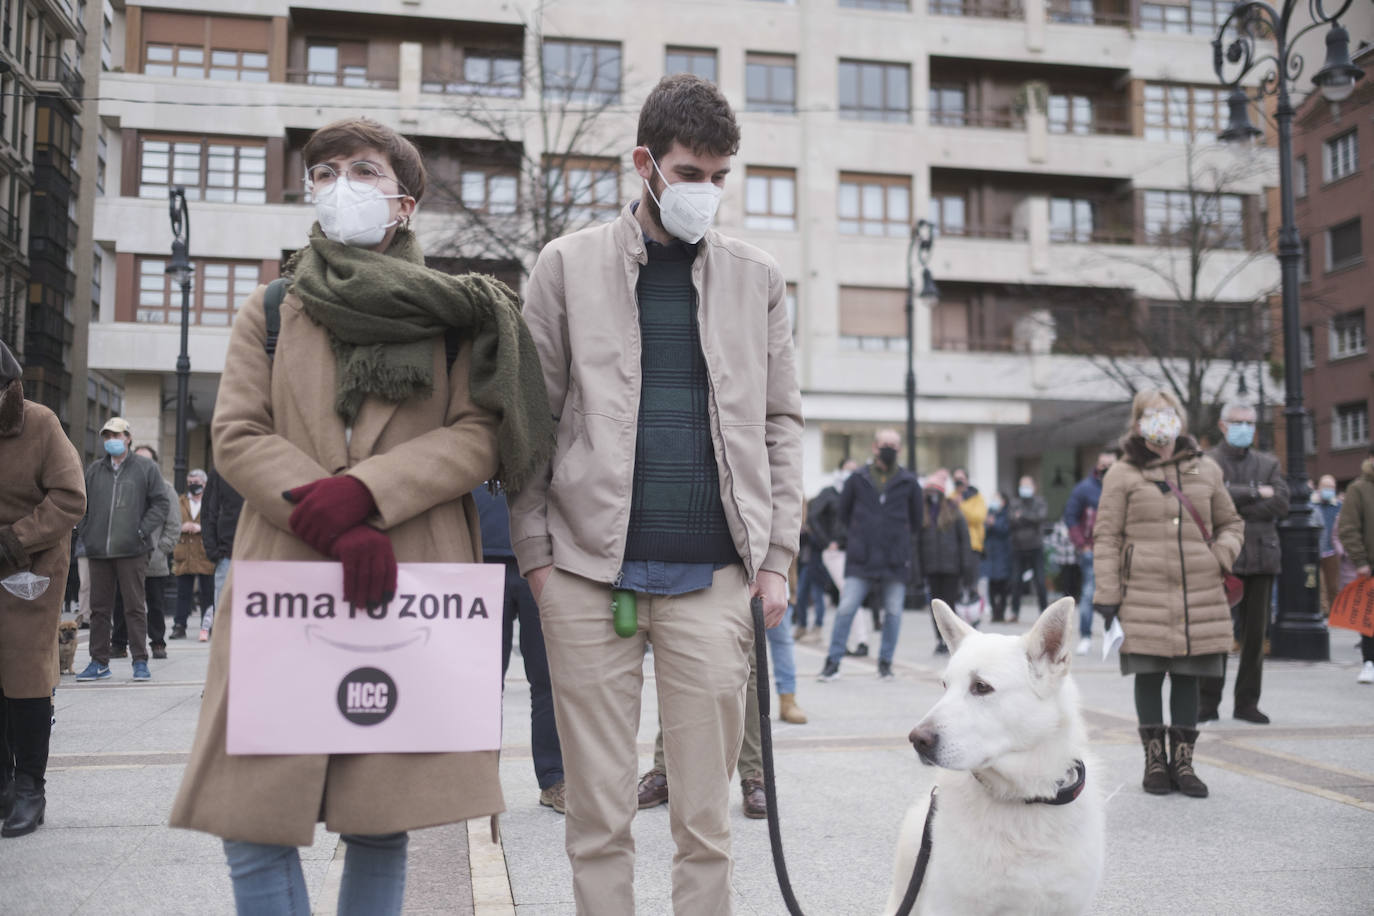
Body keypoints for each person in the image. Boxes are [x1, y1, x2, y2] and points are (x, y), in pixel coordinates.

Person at [168, 116, 553, 916]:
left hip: (403, 580)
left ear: (404, 203)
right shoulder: (273, 308)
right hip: (288, 574)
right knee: (253, 823)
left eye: (364, 170)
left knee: (381, 823)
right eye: (326, 170)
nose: (341, 184)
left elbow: (483, 436)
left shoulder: (458, 316)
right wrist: (330, 514)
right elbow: (236, 432)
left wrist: (371, 493)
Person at [510, 74, 802, 915]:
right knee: (598, 816)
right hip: (583, 574)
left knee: (705, 821)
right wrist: (535, 555)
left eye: (719, 177)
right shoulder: (566, 264)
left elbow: (781, 424)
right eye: (688, 173)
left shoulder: (759, 277)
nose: (705, 192)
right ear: (644, 164)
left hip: (713, 578)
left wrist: (776, 559)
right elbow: (530, 421)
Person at [1093, 389, 1243, 799]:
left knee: (1189, 673)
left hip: (1198, 588)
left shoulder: (1205, 469)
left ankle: (1184, 763)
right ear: (1138, 423)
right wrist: (1107, 593)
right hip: (1141, 590)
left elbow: (1232, 523)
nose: (1162, 421)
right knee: (1148, 671)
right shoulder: (1122, 474)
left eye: (1168, 413)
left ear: (1179, 418)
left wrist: (1220, 555)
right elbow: (1106, 537)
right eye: (1152, 415)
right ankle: (1154, 762)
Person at [0, 340, 86, 837]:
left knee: (25, 670)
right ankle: (3, 784)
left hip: (30, 563)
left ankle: (31, 788)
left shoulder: (39, 423)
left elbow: (71, 497)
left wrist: (16, 538)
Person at [640, 616, 809, 819]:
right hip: (674, 589)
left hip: (737, 587)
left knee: (744, 661)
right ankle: (664, 771)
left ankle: (754, 775)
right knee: (672, 661)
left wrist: (777, 582)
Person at [473, 485, 565, 813]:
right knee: (479, 683)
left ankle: (555, 778)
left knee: (550, 680)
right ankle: (478, 782)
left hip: (541, 560)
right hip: (478, 558)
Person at [1199, 402, 1288, 725]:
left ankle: (1247, 702)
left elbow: (1281, 501)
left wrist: (1234, 501)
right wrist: (1255, 492)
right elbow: (1209, 499)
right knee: (1217, 634)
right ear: (1223, 425)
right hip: (1223, 559)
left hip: (1263, 557)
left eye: (1250, 423)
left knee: (1255, 636)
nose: (1245, 428)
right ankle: (1207, 702)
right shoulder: (1209, 462)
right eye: (1238, 422)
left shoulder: (1268, 462)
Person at [818, 429, 922, 681]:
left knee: (894, 612)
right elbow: (843, 512)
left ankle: (885, 663)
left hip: (894, 558)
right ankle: (833, 662)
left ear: (900, 449)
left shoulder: (908, 481)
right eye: (885, 444)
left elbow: (917, 520)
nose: (890, 448)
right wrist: (858, 535)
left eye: (894, 444)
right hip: (861, 557)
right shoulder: (858, 478)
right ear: (875, 447)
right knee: (846, 608)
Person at [74, 417, 170, 683]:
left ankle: (140, 661)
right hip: (98, 552)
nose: (111, 440)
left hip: (132, 550)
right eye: (107, 436)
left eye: (116, 435)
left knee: (135, 607)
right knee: (99, 609)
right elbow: (82, 504)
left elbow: (161, 504)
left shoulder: (145, 468)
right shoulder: (94, 470)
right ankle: (98, 662)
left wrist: (141, 531)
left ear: (128, 437)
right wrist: (87, 531)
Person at [111, 445, 179, 659]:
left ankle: (158, 643)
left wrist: (161, 550)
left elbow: (174, 525)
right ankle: (119, 644)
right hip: (125, 557)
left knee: (155, 605)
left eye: (146, 460)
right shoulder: (123, 485)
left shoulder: (166, 489)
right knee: (121, 603)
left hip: (154, 561)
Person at [1063, 448, 1117, 655]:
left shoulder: (1123, 485)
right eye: (1103, 465)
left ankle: (1114, 634)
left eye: (1111, 465)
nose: (1106, 469)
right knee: (1088, 594)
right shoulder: (1084, 489)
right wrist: (1081, 543)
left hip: (1118, 550)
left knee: (1119, 594)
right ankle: (1085, 636)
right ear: (1097, 465)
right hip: (1092, 550)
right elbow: (1071, 516)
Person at [917, 469, 977, 654]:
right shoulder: (923, 514)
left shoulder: (954, 512)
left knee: (950, 607)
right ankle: (940, 640)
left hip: (952, 568)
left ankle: (953, 640)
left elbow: (964, 542)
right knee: (935, 607)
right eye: (929, 492)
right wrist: (919, 571)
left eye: (935, 492)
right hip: (932, 567)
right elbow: (918, 544)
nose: (932, 496)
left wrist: (967, 568)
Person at [795, 461, 855, 641]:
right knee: (805, 590)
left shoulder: (851, 496)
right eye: (848, 469)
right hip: (818, 551)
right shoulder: (829, 494)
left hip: (834, 552)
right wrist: (827, 542)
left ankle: (817, 628)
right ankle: (803, 626)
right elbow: (814, 518)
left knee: (818, 591)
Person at [1337, 448, 1374, 684]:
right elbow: (1348, 528)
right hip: (1370, 563)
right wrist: (1360, 561)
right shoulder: (1358, 489)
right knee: (1370, 616)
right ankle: (1369, 662)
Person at [171, 469, 216, 642]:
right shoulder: (180, 501)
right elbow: (172, 522)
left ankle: (208, 626)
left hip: (205, 553)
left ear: (204, 483)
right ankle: (179, 626)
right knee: (183, 593)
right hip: (184, 553)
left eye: (196, 481)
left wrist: (201, 528)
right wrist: (182, 527)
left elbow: (215, 521)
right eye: (190, 482)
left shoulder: (211, 500)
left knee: (208, 593)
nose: (193, 485)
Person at [200, 467, 243, 617]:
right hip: (226, 554)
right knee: (224, 613)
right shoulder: (219, 472)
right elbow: (207, 512)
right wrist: (212, 549)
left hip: (257, 555)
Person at [1008, 475, 1048, 622]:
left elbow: (1040, 518)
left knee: (1040, 582)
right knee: (1016, 581)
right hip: (1018, 547)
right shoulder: (1015, 502)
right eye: (1022, 485)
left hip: (1035, 546)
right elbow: (1012, 520)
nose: (1024, 488)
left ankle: (1044, 612)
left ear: (1034, 487)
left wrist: (1022, 516)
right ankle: (1014, 611)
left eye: (1027, 485)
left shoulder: (1040, 501)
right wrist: (1027, 519)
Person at [1313, 474, 1342, 613]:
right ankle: (1323, 611)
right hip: (1316, 550)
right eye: (1326, 487)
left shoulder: (1339, 506)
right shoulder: (1311, 505)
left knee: (1333, 585)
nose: (1329, 490)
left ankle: (1335, 611)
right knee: (1319, 585)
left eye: (1331, 487)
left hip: (1332, 551)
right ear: (1319, 488)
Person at [983, 491, 1013, 622]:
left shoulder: (1007, 514)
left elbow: (1005, 530)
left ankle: (1001, 612)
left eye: (997, 499)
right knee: (992, 585)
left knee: (1003, 586)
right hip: (991, 554)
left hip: (1003, 554)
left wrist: (994, 524)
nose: (994, 502)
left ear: (1003, 502)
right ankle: (994, 611)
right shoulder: (989, 513)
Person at [949, 467, 987, 565]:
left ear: (967, 480)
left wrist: (961, 505)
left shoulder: (977, 497)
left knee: (971, 578)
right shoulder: (950, 497)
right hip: (954, 545)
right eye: (956, 479)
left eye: (961, 479)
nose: (958, 482)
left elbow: (978, 518)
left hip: (972, 545)